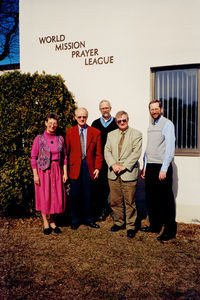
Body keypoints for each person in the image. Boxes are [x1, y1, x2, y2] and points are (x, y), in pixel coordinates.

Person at [141, 100, 177, 241]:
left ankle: (170, 230)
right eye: (152, 109)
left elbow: (169, 147)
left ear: (161, 109)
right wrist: (144, 165)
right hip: (150, 166)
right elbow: (149, 147)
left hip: (161, 167)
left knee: (165, 200)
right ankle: (154, 226)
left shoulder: (167, 124)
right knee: (151, 198)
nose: (154, 111)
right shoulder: (151, 125)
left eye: (156, 108)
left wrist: (164, 168)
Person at [104, 111, 142, 238]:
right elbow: (107, 151)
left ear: (128, 119)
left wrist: (124, 166)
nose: (122, 123)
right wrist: (113, 165)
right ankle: (119, 222)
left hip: (128, 173)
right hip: (113, 173)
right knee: (115, 201)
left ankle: (131, 225)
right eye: (119, 121)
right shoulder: (111, 135)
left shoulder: (136, 134)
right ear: (116, 122)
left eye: (124, 120)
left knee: (129, 201)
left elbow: (136, 153)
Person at [65, 107, 103, 230]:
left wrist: (97, 167)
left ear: (87, 117)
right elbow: (66, 153)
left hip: (89, 166)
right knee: (75, 194)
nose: (82, 119)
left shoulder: (95, 132)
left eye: (84, 117)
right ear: (75, 117)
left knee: (88, 194)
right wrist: (65, 170)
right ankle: (75, 220)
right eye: (79, 117)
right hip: (74, 167)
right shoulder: (69, 132)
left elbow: (98, 153)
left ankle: (88, 219)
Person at [31, 113, 68, 235]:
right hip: (43, 171)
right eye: (50, 123)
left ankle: (53, 221)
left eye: (55, 123)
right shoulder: (39, 139)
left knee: (55, 196)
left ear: (57, 124)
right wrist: (35, 175)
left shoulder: (60, 139)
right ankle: (45, 222)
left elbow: (65, 157)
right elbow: (33, 158)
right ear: (46, 123)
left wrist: (65, 172)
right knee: (44, 196)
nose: (52, 125)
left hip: (57, 170)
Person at [91, 100, 118, 220]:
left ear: (110, 108)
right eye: (102, 108)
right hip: (100, 160)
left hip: (113, 159)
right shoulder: (95, 123)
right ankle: (101, 210)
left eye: (107, 108)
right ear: (100, 110)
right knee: (100, 186)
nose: (105, 110)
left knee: (114, 187)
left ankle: (114, 211)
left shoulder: (117, 123)